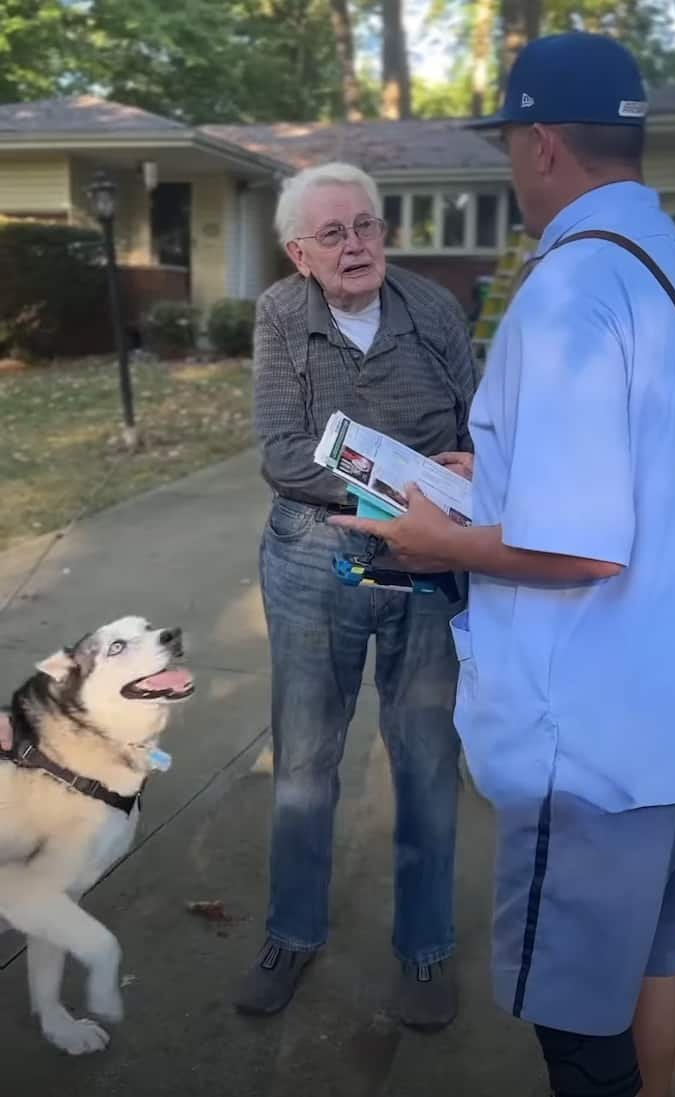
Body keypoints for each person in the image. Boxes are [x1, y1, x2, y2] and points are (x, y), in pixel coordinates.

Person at [332, 33, 675, 1097]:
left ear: (539, 145)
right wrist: (503, 463)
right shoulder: (673, 274)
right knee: (647, 966)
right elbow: (664, 468)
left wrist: (433, 538)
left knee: (576, 1029)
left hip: (592, 744)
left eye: (509, 144)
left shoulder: (567, 290)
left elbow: (579, 546)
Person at [236, 162, 478, 1030]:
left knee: (424, 760)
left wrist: (470, 469)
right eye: (333, 234)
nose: (356, 246)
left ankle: (426, 949)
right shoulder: (279, 316)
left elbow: (477, 423)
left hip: (429, 559)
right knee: (305, 761)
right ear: (299, 251)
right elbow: (280, 449)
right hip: (315, 552)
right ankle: (291, 933)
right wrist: (389, 491)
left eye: (367, 226)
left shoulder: (433, 309)